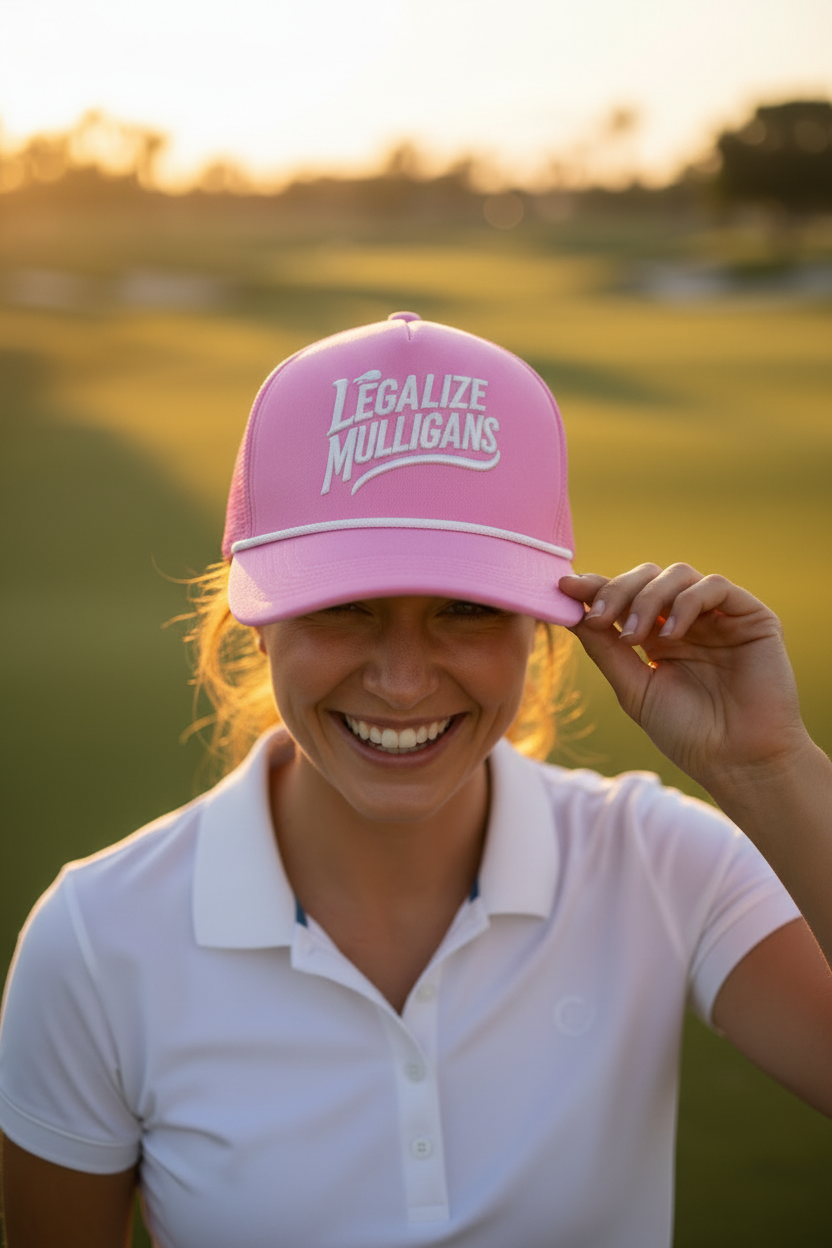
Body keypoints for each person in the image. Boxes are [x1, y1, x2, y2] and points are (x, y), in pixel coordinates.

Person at [1, 312, 830, 1248]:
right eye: (345, 606)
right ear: (257, 622)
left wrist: (769, 769)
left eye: (466, 608)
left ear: (543, 625)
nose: (402, 682)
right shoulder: (95, 940)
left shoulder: (662, 860)